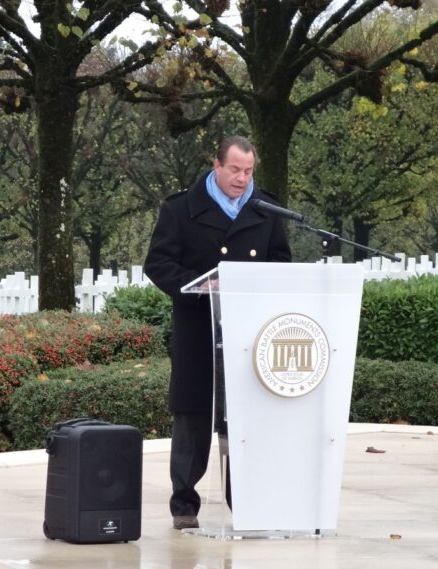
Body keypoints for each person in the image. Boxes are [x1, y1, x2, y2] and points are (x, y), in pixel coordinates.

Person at [143, 135, 292, 530]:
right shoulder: (180, 209)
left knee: (242, 417)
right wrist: (198, 286)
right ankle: (184, 505)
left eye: (248, 171)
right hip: (197, 328)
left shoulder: (266, 209)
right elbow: (158, 263)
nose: (242, 179)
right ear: (216, 165)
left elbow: (280, 261)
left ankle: (242, 500)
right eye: (235, 170)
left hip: (248, 331)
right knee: (192, 416)